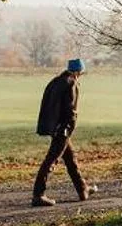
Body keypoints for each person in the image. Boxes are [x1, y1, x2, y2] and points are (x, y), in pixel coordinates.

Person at [32, 57, 87, 206]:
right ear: (78, 72)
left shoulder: (55, 81)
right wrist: (68, 130)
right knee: (51, 161)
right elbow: (71, 111)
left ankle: (83, 190)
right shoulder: (71, 83)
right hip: (62, 129)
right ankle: (38, 194)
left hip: (53, 127)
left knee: (70, 159)